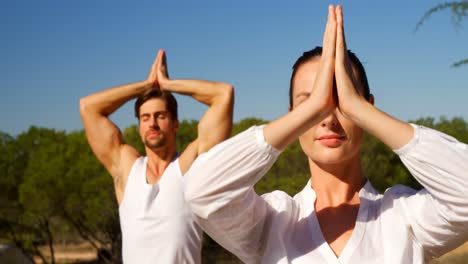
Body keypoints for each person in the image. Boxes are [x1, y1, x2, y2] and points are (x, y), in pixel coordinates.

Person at [184, 5, 468, 264]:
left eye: (341, 102)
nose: (327, 118)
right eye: (310, 105)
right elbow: (201, 192)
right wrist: (313, 107)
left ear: (366, 109)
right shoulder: (274, 221)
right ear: (293, 116)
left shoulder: (404, 218)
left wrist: (358, 108)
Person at [79, 49, 234, 263]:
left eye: (160, 116)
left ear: (175, 123)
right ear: (139, 126)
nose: (152, 123)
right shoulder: (126, 169)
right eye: (145, 118)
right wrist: (147, 85)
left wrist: (168, 84)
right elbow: (88, 107)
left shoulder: (191, 166)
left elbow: (223, 95)